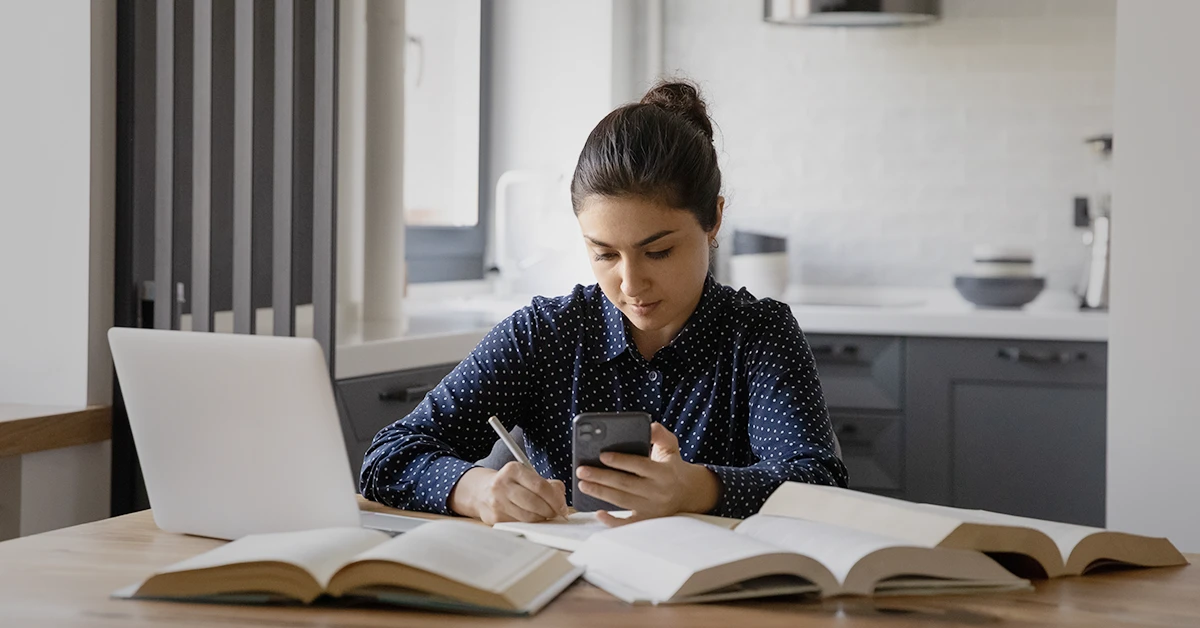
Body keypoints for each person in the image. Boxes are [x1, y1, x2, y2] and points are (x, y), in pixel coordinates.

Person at [360, 79, 847, 526]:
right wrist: (476, 489)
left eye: (658, 251)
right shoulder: (544, 334)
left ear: (713, 219)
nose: (631, 284)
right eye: (604, 254)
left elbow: (820, 482)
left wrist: (695, 488)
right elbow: (388, 455)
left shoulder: (758, 333)